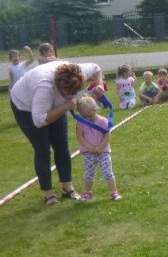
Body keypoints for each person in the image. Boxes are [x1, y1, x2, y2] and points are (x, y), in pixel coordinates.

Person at [10, 60, 102, 204]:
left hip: (53, 104)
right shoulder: (44, 86)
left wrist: (99, 85)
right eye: (68, 93)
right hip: (26, 107)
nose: (72, 96)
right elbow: (39, 121)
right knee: (42, 149)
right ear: (58, 87)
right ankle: (48, 194)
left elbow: (96, 68)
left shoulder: (78, 72)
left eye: (75, 92)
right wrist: (66, 105)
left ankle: (67, 188)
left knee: (62, 145)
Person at [75, 95, 121, 201]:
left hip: (103, 152)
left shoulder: (103, 121)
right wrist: (90, 148)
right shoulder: (81, 122)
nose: (87, 117)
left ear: (93, 109)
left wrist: (100, 147)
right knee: (89, 174)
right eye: (83, 114)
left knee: (108, 172)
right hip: (88, 153)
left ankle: (114, 192)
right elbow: (80, 137)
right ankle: (87, 192)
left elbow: (107, 136)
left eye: (88, 114)